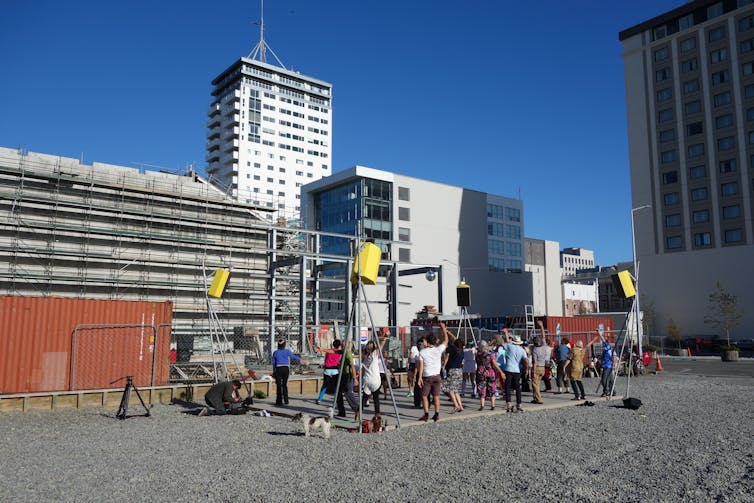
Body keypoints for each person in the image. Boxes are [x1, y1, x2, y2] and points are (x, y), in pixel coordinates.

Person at [416, 322, 449, 422]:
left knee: (424, 395)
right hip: (437, 376)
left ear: (427, 342)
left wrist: (419, 377)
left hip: (427, 376)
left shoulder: (422, 352)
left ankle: (426, 414)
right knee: (436, 396)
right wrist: (444, 329)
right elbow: (446, 341)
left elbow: (421, 366)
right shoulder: (438, 350)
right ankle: (437, 414)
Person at [272, 339, 308, 406]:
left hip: (278, 369)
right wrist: (302, 360)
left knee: (279, 386)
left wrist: (274, 371)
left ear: (278, 345)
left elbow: (274, 363)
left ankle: (279, 401)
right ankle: (286, 401)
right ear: (284, 345)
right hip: (286, 369)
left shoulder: (275, 352)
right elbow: (293, 356)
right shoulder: (287, 351)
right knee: (285, 385)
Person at [501, 329, 529, 413]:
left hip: (508, 369)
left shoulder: (509, 346)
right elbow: (526, 361)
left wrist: (506, 333)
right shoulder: (522, 350)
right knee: (517, 388)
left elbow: (506, 341)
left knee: (508, 387)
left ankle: (508, 403)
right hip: (517, 370)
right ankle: (519, 404)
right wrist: (527, 369)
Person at [475, 339, 503, 411]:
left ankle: (482, 405)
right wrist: (501, 371)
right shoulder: (490, 354)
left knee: (481, 388)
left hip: (480, 373)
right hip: (490, 372)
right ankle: (492, 405)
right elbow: (494, 363)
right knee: (492, 388)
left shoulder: (478, 354)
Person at [335, 340, 360, 418]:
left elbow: (352, 366)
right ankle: (341, 412)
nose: (342, 347)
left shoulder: (348, 353)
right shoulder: (342, 351)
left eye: (343, 345)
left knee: (348, 392)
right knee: (338, 393)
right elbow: (333, 351)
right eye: (341, 345)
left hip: (348, 375)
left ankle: (357, 409)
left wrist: (355, 378)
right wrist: (321, 349)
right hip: (342, 375)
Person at [590, 330, 617, 397]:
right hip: (607, 365)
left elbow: (603, 340)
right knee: (610, 379)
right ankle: (613, 391)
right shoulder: (606, 351)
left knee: (604, 380)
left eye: (603, 344)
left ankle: (606, 391)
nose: (603, 345)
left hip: (608, 366)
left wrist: (599, 334)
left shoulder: (608, 348)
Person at [441, 336, 464, 413]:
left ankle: (456, 405)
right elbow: (456, 339)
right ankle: (460, 406)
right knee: (456, 390)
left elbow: (447, 358)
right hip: (459, 371)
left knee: (450, 389)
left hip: (452, 370)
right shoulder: (462, 351)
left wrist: (443, 366)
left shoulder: (453, 350)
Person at [316, 339, 342, 405]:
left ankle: (319, 399)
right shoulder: (339, 352)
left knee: (324, 385)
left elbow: (326, 360)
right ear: (339, 346)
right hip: (335, 370)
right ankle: (336, 399)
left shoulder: (328, 351)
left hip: (327, 370)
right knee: (336, 386)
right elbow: (339, 360)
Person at [530, 320, 550, 404]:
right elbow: (543, 336)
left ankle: (539, 399)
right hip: (543, 367)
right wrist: (541, 326)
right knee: (537, 383)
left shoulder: (535, 350)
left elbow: (534, 362)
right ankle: (535, 398)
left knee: (535, 384)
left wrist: (533, 371)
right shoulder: (544, 346)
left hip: (537, 367)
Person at [361, 340, 383, 414]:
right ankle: (377, 414)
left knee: (364, 398)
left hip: (367, 379)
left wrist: (361, 380)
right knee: (376, 398)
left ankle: (358, 412)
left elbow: (363, 370)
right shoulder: (374, 354)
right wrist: (384, 337)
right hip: (375, 379)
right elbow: (381, 345)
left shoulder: (364, 357)